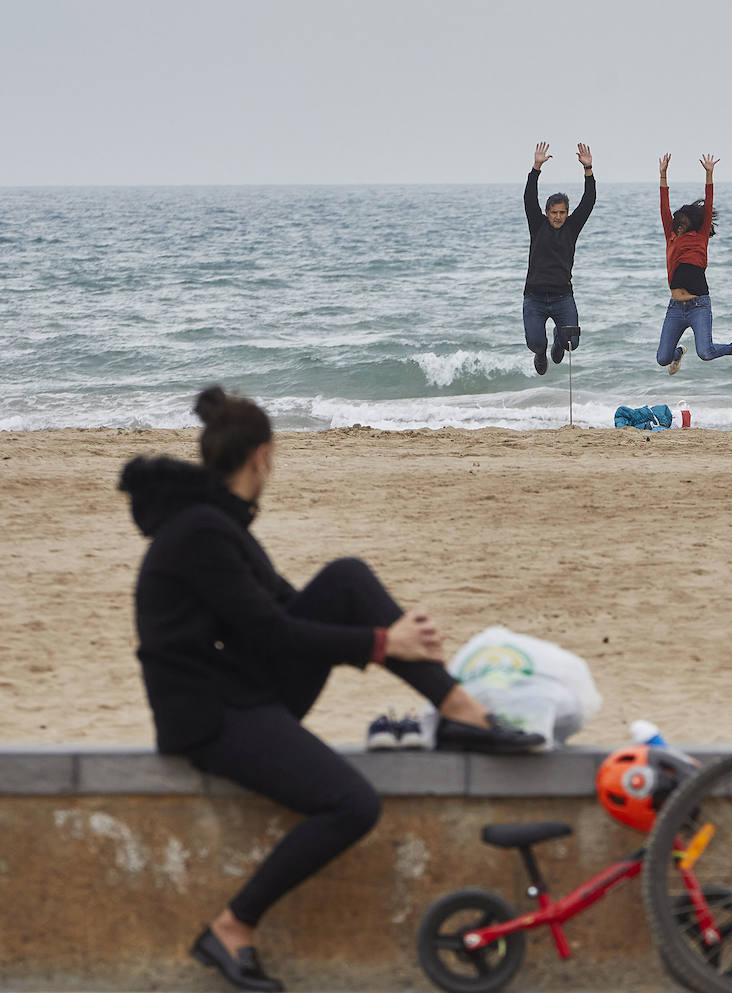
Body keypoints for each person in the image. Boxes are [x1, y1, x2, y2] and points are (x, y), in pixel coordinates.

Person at [118, 385, 543, 992]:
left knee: (346, 578)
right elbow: (274, 633)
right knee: (352, 804)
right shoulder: (202, 534)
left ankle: (458, 708)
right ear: (262, 456)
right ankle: (232, 927)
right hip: (210, 716)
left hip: (240, 691)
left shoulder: (217, 527)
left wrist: (387, 635)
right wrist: (381, 644)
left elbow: (290, 611)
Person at [656, 152, 732, 374]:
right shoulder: (670, 236)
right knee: (662, 358)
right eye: (676, 222)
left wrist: (709, 174)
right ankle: (678, 353)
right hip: (675, 307)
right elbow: (664, 207)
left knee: (706, 352)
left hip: (699, 305)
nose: (677, 224)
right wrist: (663, 175)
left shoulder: (700, 236)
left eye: (681, 222)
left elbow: (709, 205)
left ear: (691, 223)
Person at [523, 140, 595, 375]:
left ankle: (559, 341)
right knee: (535, 342)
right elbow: (529, 198)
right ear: (546, 213)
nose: (558, 217)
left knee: (571, 343)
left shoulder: (572, 227)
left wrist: (588, 170)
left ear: (567, 212)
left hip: (562, 296)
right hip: (534, 297)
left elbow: (589, 201)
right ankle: (541, 352)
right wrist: (536, 168)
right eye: (553, 212)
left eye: (562, 212)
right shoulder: (537, 225)